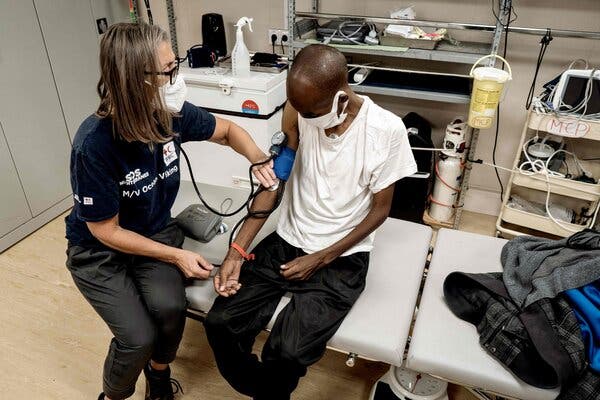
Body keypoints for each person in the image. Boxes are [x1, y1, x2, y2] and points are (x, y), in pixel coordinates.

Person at [64, 23, 276, 400]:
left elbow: (227, 131)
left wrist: (259, 158)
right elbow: (105, 231)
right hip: (99, 253)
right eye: (168, 71)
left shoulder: (168, 113)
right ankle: (113, 395)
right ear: (134, 78)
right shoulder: (93, 145)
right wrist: (177, 255)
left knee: (169, 308)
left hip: (153, 232)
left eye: (173, 64)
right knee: (137, 338)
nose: (177, 77)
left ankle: (158, 377)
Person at [204, 44, 418, 399]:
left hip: (340, 260)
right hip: (287, 241)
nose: (302, 117)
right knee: (220, 324)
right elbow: (276, 183)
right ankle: (267, 392)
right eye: (298, 108)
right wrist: (236, 252)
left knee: (285, 351)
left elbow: (380, 210)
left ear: (340, 97)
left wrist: (321, 257)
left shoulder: (385, 131)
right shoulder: (299, 111)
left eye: (311, 111)